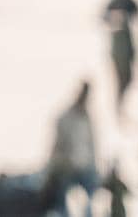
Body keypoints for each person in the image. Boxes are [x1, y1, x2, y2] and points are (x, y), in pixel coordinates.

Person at [43, 82, 101, 217]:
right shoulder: (65, 118)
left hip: (86, 169)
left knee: (93, 192)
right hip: (67, 169)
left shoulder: (87, 119)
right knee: (63, 194)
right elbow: (57, 148)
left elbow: (92, 147)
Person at [105, 0, 138, 116]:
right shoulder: (116, 0)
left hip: (128, 46)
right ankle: (119, 109)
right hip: (119, 48)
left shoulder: (128, 0)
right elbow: (106, 17)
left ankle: (121, 107)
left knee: (128, 79)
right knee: (121, 80)